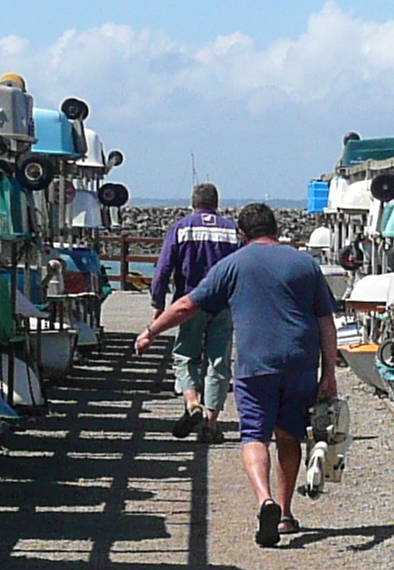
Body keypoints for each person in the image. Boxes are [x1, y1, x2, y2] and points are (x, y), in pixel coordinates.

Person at [143, 202, 340, 547]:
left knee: (254, 436)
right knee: (289, 436)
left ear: (242, 234)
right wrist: (329, 372)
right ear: (276, 228)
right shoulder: (305, 264)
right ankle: (285, 512)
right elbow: (326, 321)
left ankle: (264, 499)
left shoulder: (233, 264)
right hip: (299, 361)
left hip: (255, 365)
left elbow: (187, 305)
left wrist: (151, 331)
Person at [147, 183, 240, 438]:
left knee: (185, 355)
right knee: (218, 362)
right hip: (223, 304)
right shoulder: (232, 231)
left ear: (193, 203)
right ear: (216, 203)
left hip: (189, 302)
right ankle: (210, 424)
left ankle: (191, 401)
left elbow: (163, 268)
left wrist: (158, 303)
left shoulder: (181, 228)